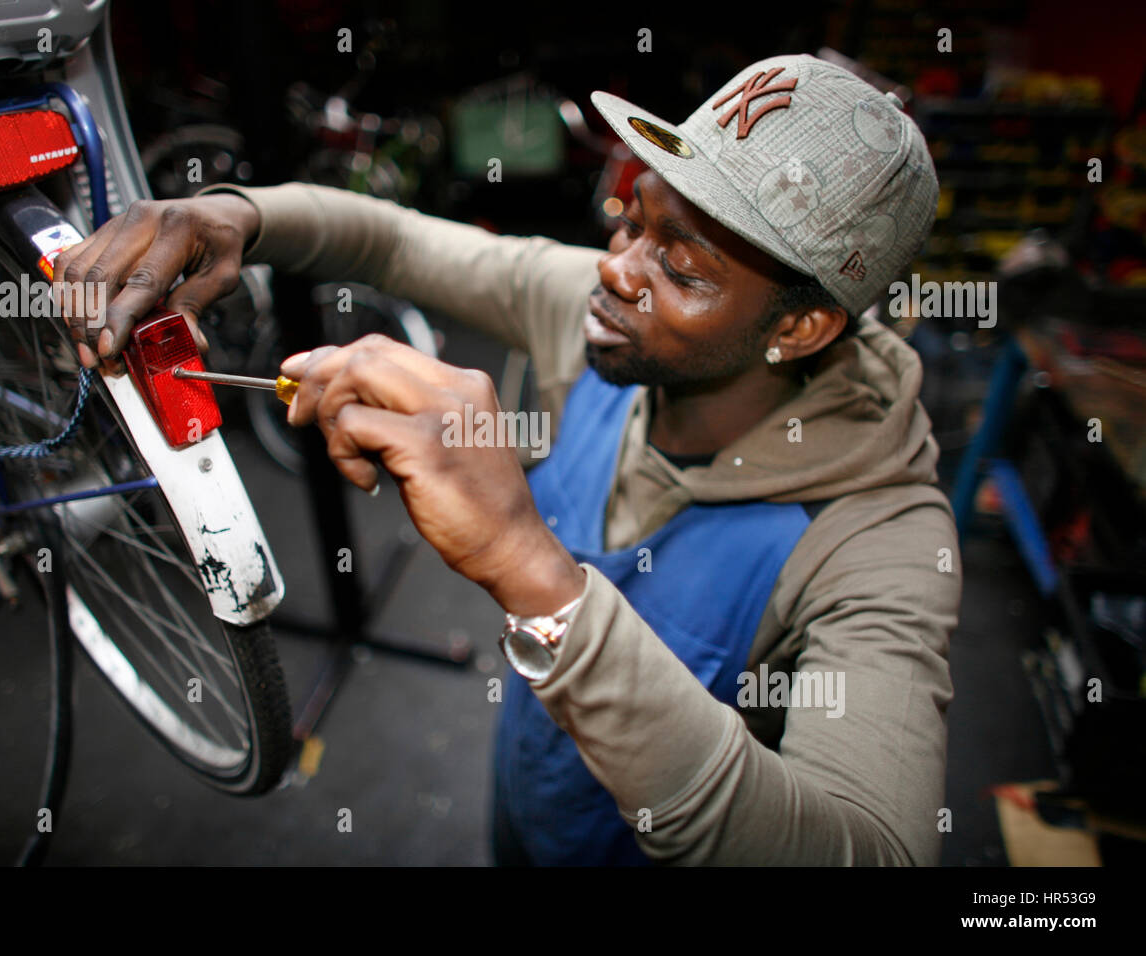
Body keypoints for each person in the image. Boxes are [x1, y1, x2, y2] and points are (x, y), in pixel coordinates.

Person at [55, 53, 960, 866]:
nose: (616, 270)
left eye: (682, 270)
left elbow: (873, 850)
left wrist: (532, 572)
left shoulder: (880, 542)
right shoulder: (599, 317)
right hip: (535, 807)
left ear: (801, 327)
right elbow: (395, 241)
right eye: (631, 219)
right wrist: (235, 216)